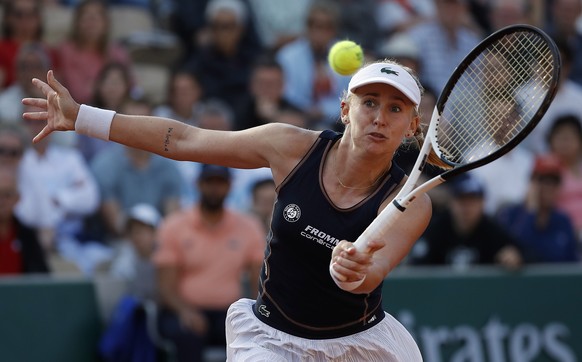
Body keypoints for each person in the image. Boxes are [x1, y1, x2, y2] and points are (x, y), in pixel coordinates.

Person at [24, 58, 451, 360]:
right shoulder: (290, 146)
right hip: (273, 341)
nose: (379, 117)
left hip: (361, 345)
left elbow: (370, 277)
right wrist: (82, 117)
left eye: (395, 109)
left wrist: (352, 269)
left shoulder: (413, 202)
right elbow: (188, 140)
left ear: (412, 125)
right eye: (369, 102)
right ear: (345, 109)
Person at [153, 164, 265, 362]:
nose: (214, 188)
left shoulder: (248, 227)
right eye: (209, 182)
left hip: (228, 312)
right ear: (198, 184)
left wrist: (250, 318)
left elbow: (260, 283)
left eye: (220, 182)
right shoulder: (174, 226)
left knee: (255, 338)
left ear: (230, 186)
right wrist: (185, 311)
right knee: (187, 337)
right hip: (181, 309)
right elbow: (165, 286)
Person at [411, 174, 523, 269]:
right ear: (452, 203)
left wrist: (515, 256)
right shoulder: (437, 228)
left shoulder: (492, 229)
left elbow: (526, 253)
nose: (466, 208)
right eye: (462, 200)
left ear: (482, 203)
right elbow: (417, 265)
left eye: (472, 201)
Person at [497, 155, 579, 263]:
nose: (548, 187)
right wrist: (531, 211)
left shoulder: (563, 220)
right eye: (542, 181)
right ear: (531, 183)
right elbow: (518, 248)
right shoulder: (510, 214)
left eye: (553, 182)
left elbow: (572, 263)